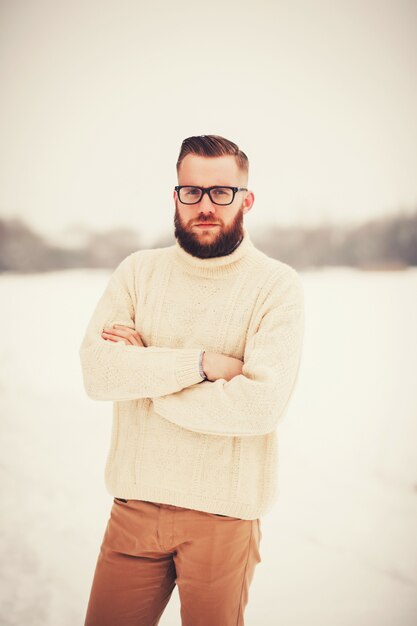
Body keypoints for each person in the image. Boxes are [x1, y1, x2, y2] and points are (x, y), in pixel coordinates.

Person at [79, 134, 305, 626]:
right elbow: (99, 373)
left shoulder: (275, 285)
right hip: (133, 509)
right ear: (175, 196)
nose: (206, 205)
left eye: (221, 192)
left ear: (247, 198)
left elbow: (258, 406)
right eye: (192, 192)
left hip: (223, 517)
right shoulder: (138, 273)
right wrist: (201, 364)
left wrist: (147, 381)